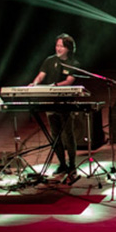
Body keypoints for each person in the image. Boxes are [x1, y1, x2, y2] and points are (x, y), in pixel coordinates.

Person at [29, 34, 79, 174]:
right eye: (57, 46)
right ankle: (62, 163)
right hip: (50, 102)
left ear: (68, 48)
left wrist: (55, 85)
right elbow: (40, 76)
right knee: (55, 134)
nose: (58, 48)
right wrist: (35, 84)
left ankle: (72, 164)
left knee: (68, 134)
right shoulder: (49, 61)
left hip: (65, 103)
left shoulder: (74, 64)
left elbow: (69, 81)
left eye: (61, 46)